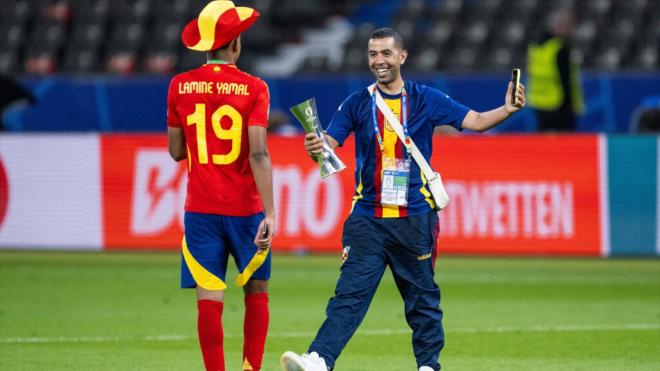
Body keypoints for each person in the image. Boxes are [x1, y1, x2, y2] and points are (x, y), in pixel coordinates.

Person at [280, 27, 525, 371]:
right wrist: (316, 147)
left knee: (422, 299)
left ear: (402, 56)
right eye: (372, 54)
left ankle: (428, 366)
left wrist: (509, 108)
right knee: (349, 295)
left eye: (385, 53)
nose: (378, 61)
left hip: (414, 219)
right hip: (367, 218)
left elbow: (478, 121)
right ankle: (319, 360)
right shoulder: (356, 102)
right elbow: (329, 145)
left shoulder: (426, 98)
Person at [166, 2, 275, 370]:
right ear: (236, 43)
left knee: (208, 301)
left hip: (201, 210)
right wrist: (271, 212)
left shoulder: (179, 85)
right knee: (256, 293)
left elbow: (176, 151)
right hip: (245, 210)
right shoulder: (254, 88)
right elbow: (258, 154)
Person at [526, 7, 584, 132]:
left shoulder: (536, 46)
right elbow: (566, 79)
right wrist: (571, 106)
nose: (571, 30)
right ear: (560, 26)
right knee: (563, 146)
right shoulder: (559, 48)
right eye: (569, 25)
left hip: (539, 102)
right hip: (558, 103)